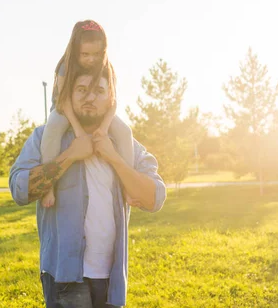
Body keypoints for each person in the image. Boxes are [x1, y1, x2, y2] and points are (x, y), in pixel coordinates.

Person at [9, 69, 167, 308]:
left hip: (112, 279)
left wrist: (114, 158)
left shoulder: (125, 145)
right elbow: (19, 190)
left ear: (110, 99)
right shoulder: (45, 138)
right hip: (65, 278)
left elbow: (154, 198)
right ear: (69, 97)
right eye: (81, 90)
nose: (90, 97)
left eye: (99, 91)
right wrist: (70, 154)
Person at [40, 19, 134, 209]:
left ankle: (128, 185)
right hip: (64, 109)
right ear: (75, 50)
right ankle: (48, 186)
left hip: (99, 112)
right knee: (52, 129)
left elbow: (113, 101)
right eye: (85, 54)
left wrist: (104, 127)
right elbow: (64, 100)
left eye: (97, 54)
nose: (91, 59)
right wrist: (78, 130)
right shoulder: (65, 67)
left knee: (124, 132)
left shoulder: (107, 69)